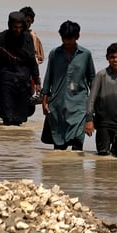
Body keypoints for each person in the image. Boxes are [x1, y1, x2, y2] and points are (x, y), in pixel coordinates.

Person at [41, 20, 95, 150]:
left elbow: (92, 80)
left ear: (77, 37)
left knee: (77, 145)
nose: (66, 42)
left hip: (79, 106)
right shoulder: (55, 54)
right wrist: (44, 101)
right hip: (58, 105)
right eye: (64, 38)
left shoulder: (85, 55)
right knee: (59, 147)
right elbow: (48, 77)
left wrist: (93, 108)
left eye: (69, 39)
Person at [0, 12, 40, 126]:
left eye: (20, 27)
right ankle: (6, 142)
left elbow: (32, 61)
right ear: (10, 25)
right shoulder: (1, 38)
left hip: (23, 82)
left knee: (20, 118)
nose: (18, 30)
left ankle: (17, 142)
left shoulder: (27, 38)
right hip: (6, 82)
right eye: (15, 27)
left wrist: (37, 82)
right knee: (7, 118)